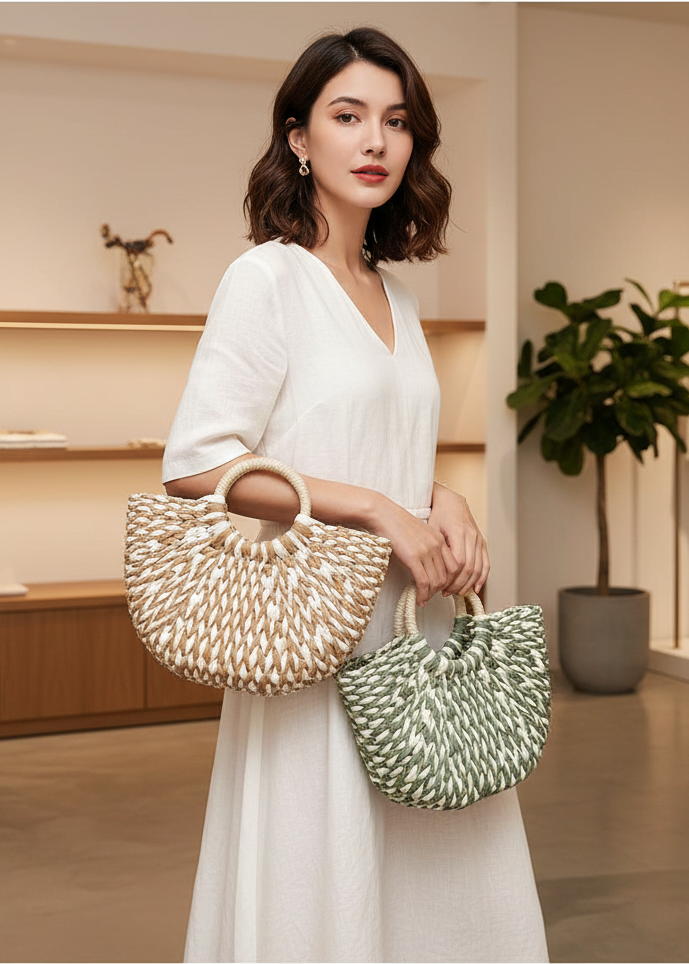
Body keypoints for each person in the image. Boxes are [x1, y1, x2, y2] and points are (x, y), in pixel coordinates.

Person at [162, 26, 548, 964]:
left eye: (396, 121)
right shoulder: (265, 280)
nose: (375, 141)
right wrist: (380, 511)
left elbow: (386, 447)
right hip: (314, 631)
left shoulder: (397, 295)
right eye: (347, 116)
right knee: (321, 863)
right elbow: (196, 463)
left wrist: (441, 499)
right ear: (299, 138)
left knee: (438, 852)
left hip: (413, 629)